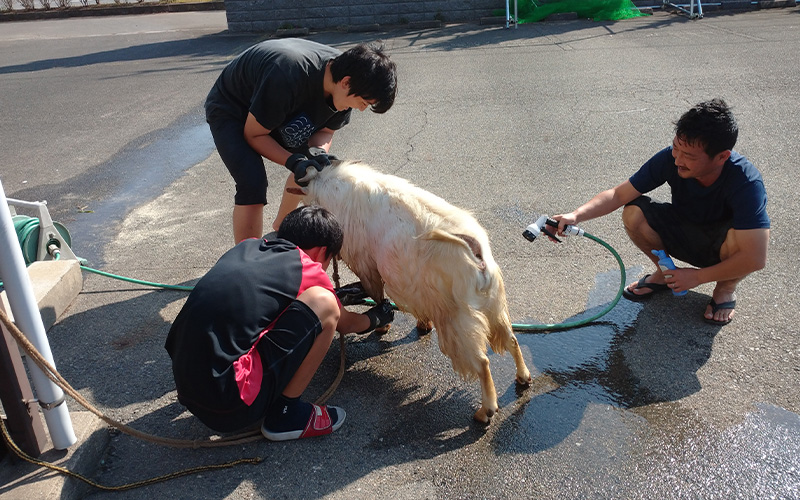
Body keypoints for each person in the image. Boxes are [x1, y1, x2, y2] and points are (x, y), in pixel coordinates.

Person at [165, 206, 394, 441]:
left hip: (188, 387)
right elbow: (344, 322)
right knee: (325, 303)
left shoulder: (248, 247)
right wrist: (377, 316)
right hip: (230, 404)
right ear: (322, 251)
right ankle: (286, 415)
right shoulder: (307, 267)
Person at [552, 99, 769, 326]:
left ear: (722, 156)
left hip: (722, 248)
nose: (678, 159)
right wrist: (575, 215)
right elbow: (618, 194)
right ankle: (665, 274)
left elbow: (755, 258)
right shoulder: (670, 158)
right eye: (676, 147)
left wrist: (696, 277)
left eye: (689, 156)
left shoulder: (746, 181)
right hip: (684, 231)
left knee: (743, 240)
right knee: (633, 212)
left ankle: (725, 288)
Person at [205, 38, 398, 243]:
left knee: (312, 169)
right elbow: (254, 134)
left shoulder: (349, 80)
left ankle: (282, 226)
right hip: (233, 107)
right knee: (252, 182)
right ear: (346, 82)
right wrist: (293, 161)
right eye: (363, 103)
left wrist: (318, 153)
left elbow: (325, 131)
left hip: (277, 105)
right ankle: (247, 261)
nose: (361, 109)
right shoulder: (287, 75)